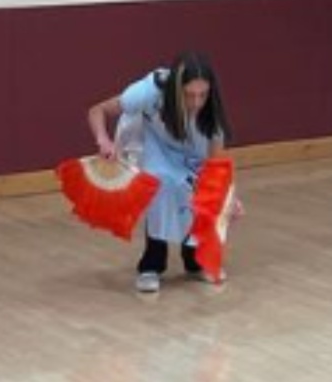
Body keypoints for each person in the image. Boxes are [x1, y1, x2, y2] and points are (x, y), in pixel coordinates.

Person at [86, 51, 232, 295]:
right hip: (154, 145)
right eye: (189, 95)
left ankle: (196, 259)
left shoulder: (212, 118)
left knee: (200, 194)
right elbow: (97, 111)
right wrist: (103, 140)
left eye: (202, 95)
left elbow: (216, 166)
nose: (196, 103)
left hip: (192, 156)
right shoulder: (149, 91)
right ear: (175, 89)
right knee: (161, 184)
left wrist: (229, 198)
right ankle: (151, 265)